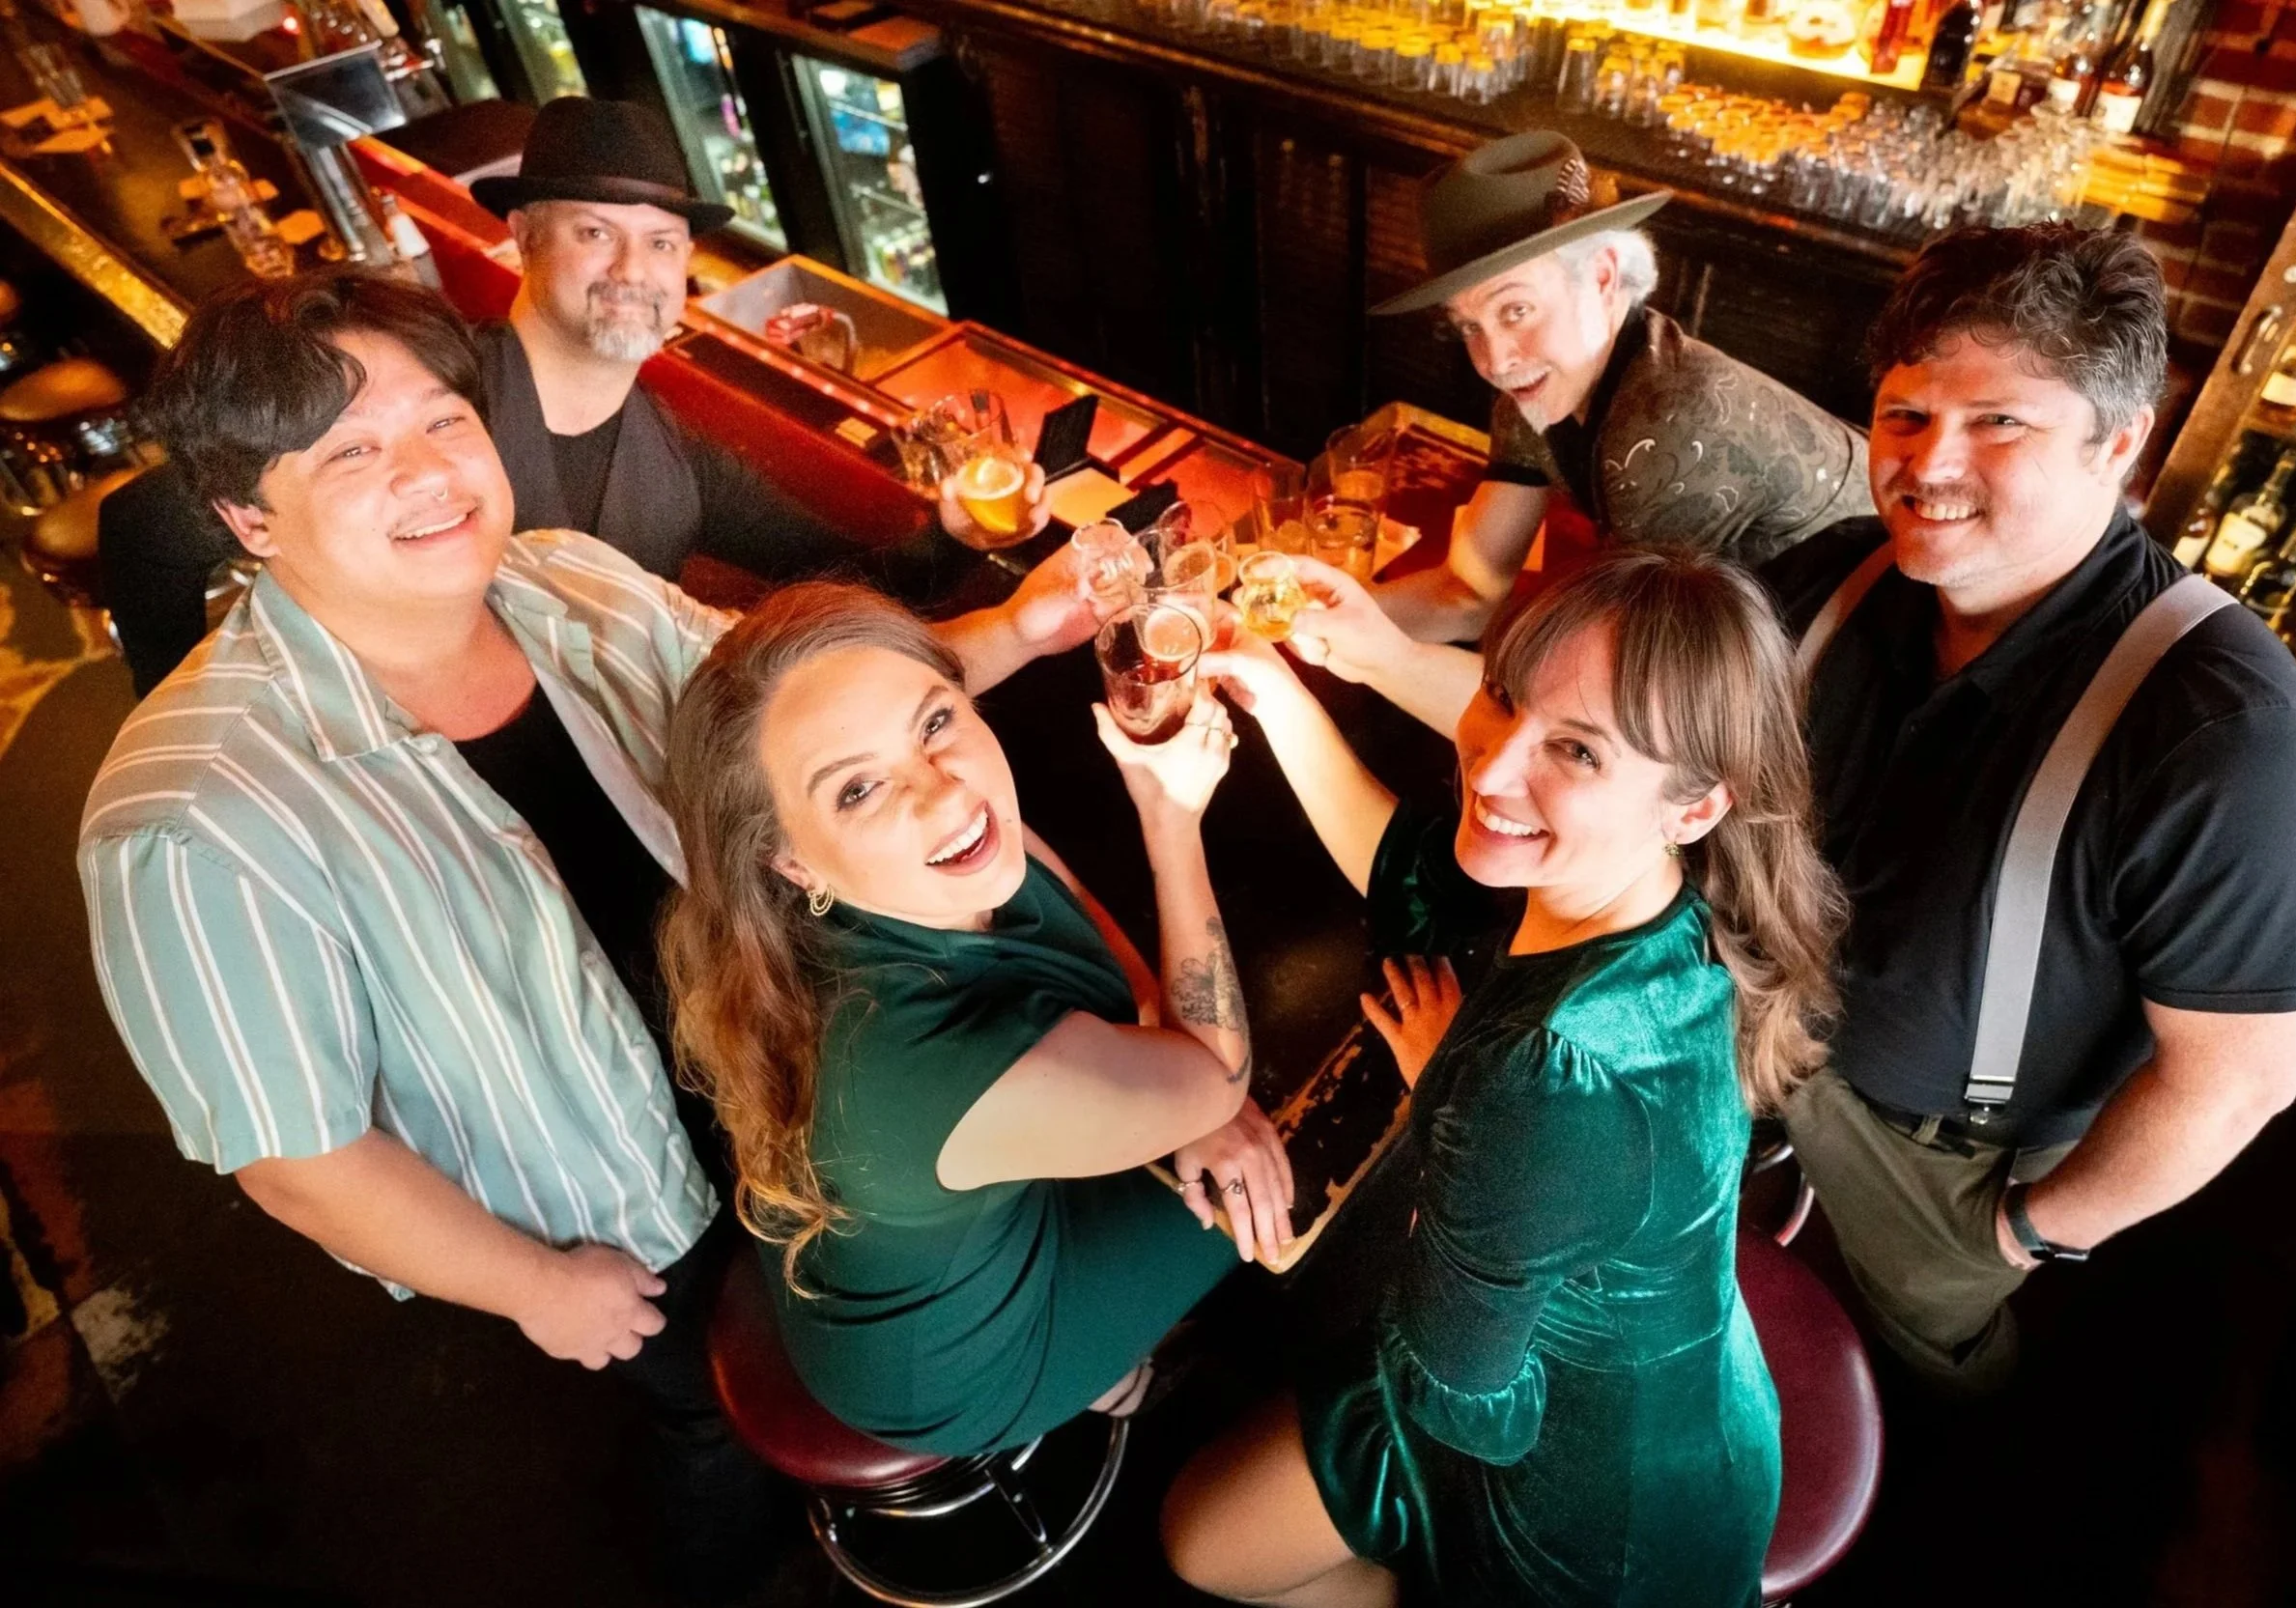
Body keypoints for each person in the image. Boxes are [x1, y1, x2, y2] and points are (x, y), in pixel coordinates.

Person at [76, 269, 1091, 1596]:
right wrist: (531, 1288)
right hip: (615, 1203)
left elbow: (799, 721)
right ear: (244, 518)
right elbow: (295, 1153)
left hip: (795, 1075)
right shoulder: (193, 813)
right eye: (353, 453)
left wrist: (1021, 624)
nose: (433, 474)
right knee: (710, 1428)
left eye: (444, 420)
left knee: (877, 1313)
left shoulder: (565, 580)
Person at [1161, 549, 1845, 1607]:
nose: (1488, 768)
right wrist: (1276, 693)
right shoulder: (1662, 899)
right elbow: (1426, 870)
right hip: (1693, 1396)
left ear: (1694, 805)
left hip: (1585, 1511)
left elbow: (1464, 1403)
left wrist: (1448, 1102)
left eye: (1573, 750)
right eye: (1497, 695)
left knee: (1197, 1541)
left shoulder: (1539, 1079)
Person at [1754, 224, 2296, 1392]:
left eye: (1997, 422)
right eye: (1903, 414)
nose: (1928, 463)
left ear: (2118, 443)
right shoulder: (1838, 575)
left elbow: (2234, 1082)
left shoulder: (2230, 742)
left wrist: (2021, 1232)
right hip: (1738, 1071)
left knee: (1906, 1407)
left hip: (1939, 1176)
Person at [99, 95, 1037, 695]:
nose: (635, 267)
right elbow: (146, 532)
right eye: (595, 231)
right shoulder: (424, 399)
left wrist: (952, 534)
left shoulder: (675, 455)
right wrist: (190, 712)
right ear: (522, 239)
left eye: (663, 243)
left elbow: (835, 582)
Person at [659, 583, 1290, 1453]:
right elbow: (1221, 1074)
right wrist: (1171, 821)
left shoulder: (897, 871)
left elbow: (1048, 885)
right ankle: (1099, 1375)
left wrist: (1156, 1018)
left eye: (934, 723)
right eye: (857, 790)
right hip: (961, 1365)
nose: (946, 795)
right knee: (1288, 1135)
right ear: (790, 861)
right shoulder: (904, 1070)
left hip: (937, 1218)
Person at [1368, 130, 1872, 644]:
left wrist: (1375, 655)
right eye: (1469, 326)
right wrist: (1298, 613)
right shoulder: (1533, 399)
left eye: (1516, 311)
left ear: (1603, 277)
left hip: (1853, 649)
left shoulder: (1674, 419)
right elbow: (1468, 593)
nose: (1495, 361)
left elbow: (1625, 684)